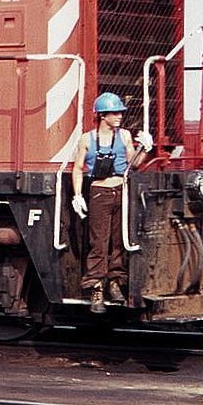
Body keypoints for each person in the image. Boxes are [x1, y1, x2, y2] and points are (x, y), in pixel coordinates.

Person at [70, 93, 153, 313]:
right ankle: (96, 286)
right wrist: (77, 195)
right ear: (102, 115)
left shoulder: (124, 136)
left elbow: (132, 164)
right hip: (99, 193)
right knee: (99, 241)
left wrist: (145, 149)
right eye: (115, 113)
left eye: (120, 113)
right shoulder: (86, 139)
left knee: (119, 240)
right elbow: (78, 169)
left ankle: (116, 282)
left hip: (121, 190)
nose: (119, 116)